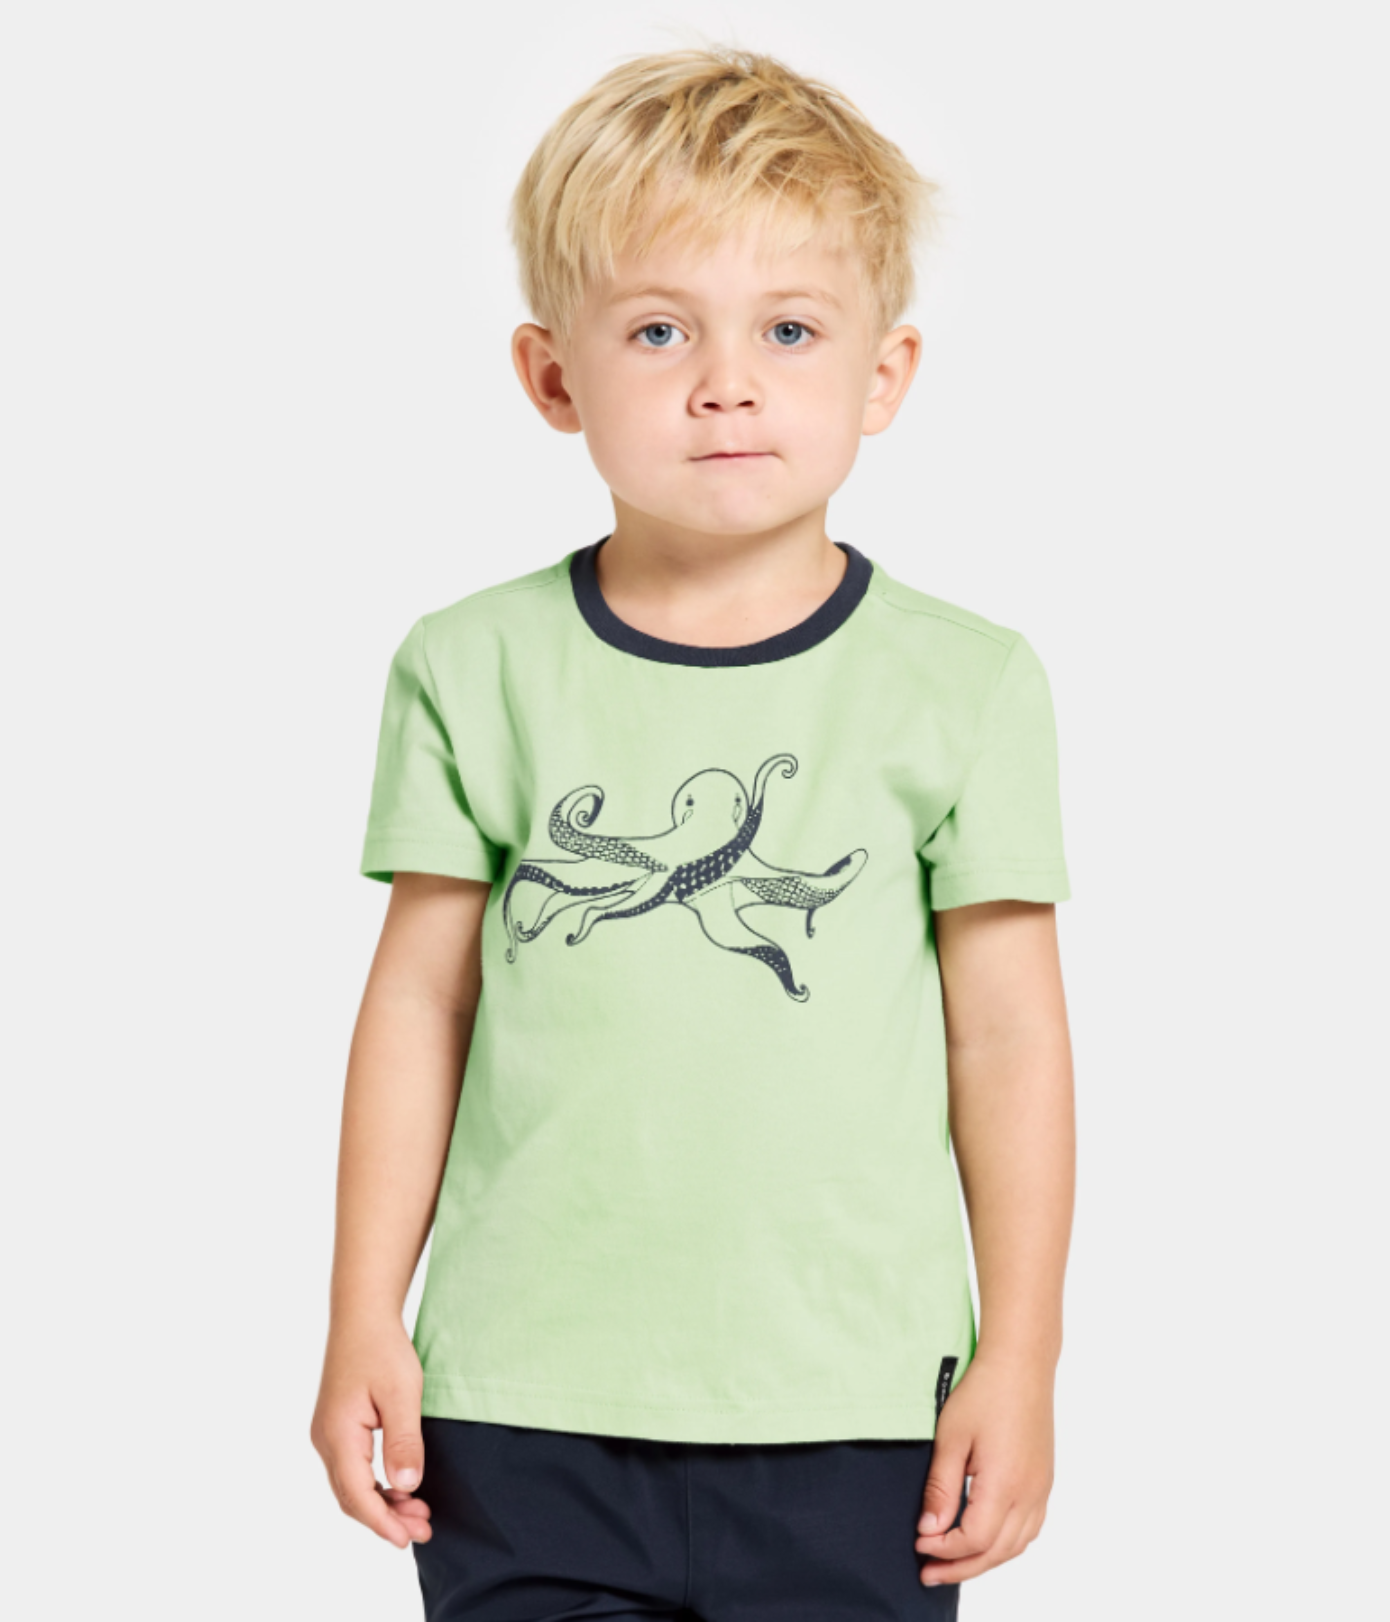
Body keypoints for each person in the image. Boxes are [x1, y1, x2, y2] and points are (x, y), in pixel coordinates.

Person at [311, 43, 1075, 1621]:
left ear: (882, 374)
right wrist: (359, 1314)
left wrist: (1022, 1353)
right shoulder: (470, 666)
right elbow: (419, 1003)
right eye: (659, 329)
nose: (725, 381)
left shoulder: (966, 686)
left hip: (856, 1413)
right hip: (517, 1411)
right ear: (552, 377)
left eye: (787, 329)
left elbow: (1005, 1038)